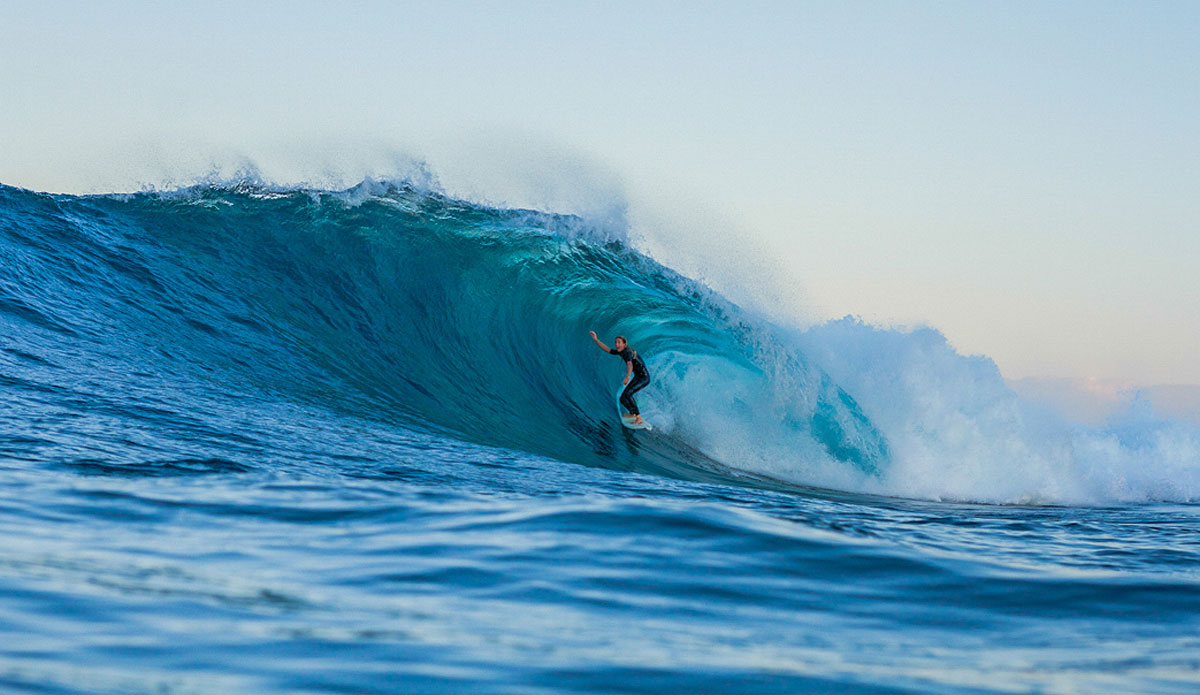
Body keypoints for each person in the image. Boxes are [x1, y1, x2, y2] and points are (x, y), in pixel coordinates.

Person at [589, 330, 650, 425]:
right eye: (616, 342)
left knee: (628, 394)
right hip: (639, 376)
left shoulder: (627, 353)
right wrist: (596, 340)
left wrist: (627, 376)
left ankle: (638, 417)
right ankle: (633, 414)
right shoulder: (621, 352)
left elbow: (630, 364)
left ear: (625, 344)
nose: (617, 344)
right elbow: (608, 350)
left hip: (644, 378)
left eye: (619, 342)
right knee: (622, 398)